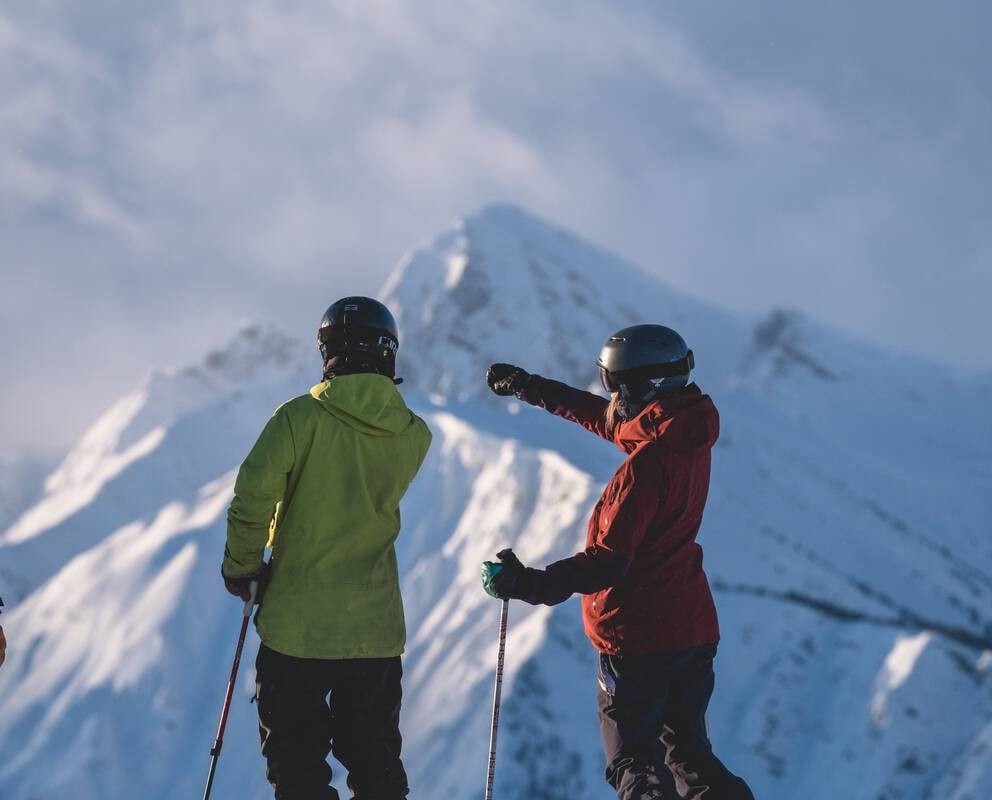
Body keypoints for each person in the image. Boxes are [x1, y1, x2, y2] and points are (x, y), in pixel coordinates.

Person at [481, 325, 754, 800]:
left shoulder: (647, 467)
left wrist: (526, 582)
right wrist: (530, 386)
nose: (608, 395)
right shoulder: (685, 433)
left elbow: (608, 563)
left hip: (636, 638)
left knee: (635, 764)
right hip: (690, 629)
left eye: (611, 383)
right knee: (690, 756)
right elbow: (610, 422)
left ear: (637, 387)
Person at [222, 297, 432, 800]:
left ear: (326, 351)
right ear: (388, 353)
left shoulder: (298, 419)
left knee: (297, 768)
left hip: (297, 625)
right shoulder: (412, 434)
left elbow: (253, 497)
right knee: (376, 762)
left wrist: (243, 568)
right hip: (376, 629)